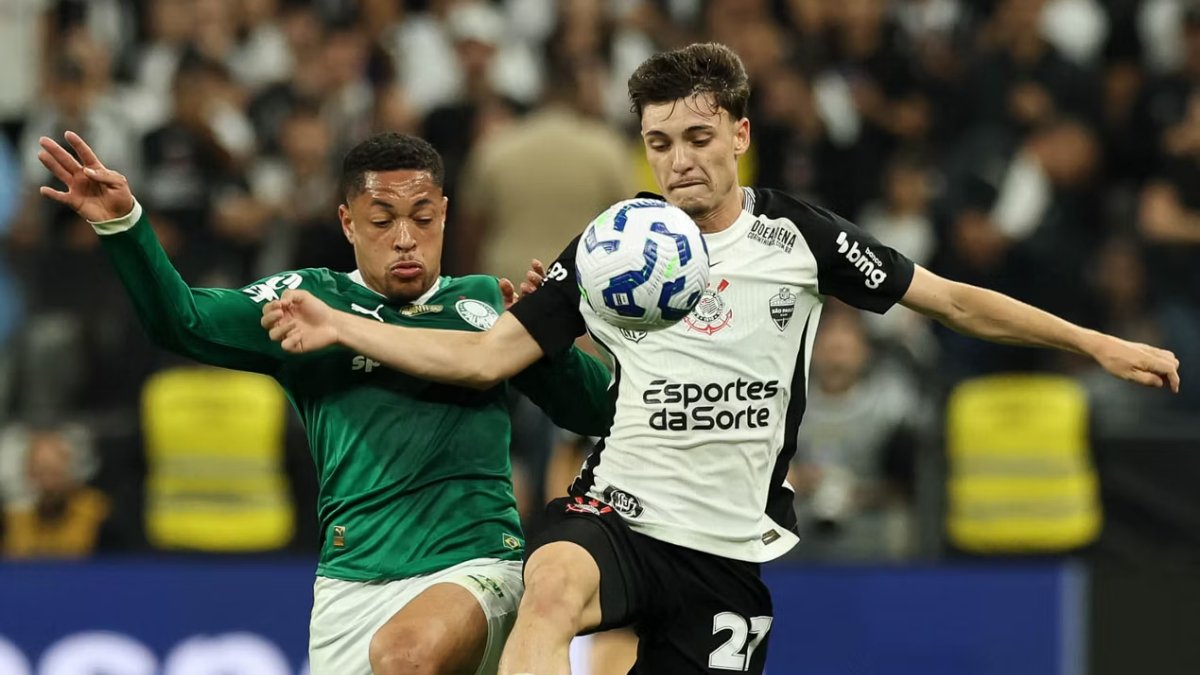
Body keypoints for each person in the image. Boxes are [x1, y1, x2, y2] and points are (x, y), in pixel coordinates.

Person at [261, 43, 1180, 674]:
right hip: (616, 512)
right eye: (660, 142)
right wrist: (346, 326)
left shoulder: (798, 239)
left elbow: (953, 300)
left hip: (725, 554)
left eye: (698, 138)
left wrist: (1096, 341)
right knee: (547, 592)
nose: (679, 161)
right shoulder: (612, 243)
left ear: (739, 134)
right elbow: (484, 356)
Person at [35, 130, 615, 675]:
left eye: (423, 218)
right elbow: (183, 322)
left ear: (445, 214)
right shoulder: (306, 301)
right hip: (350, 584)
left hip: (476, 564)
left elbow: (594, 413)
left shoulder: (485, 304)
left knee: (407, 655)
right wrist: (125, 228)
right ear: (347, 222)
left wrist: (550, 341)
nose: (406, 238)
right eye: (382, 220)